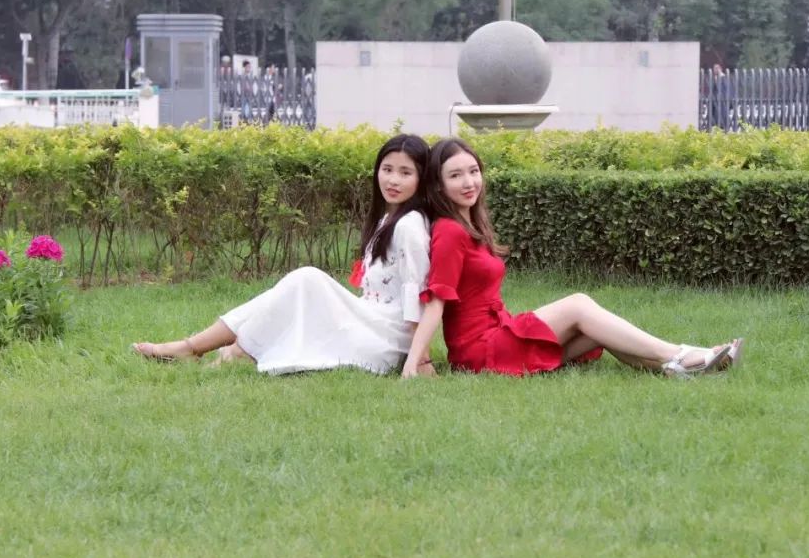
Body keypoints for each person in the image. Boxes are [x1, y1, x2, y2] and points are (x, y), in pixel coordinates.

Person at [402, 138, 743, 379]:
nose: (469, 182)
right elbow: (436, 300)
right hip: (481, 350)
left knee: (597, 331)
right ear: (439, 186)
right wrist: (415, 363)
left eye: (473, 171)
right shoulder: (449, 231)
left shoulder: (470, 224)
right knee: (579, 305)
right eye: (455, 175)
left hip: (499, 332)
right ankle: (682, 354)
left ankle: (678, 368)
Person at [132, 134, 436, 376]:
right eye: (387, 169)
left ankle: (210, 349)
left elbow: (417, 295)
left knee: (307, 279)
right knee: (295, 291)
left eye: (405, 173)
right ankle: (204, 348)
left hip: (383, 339)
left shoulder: (409, 226)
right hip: (369, 322)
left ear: (422, 180)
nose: (393, 180)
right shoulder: (388, 219)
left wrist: (419, 358)